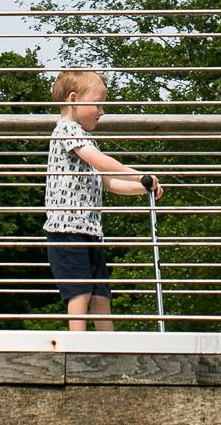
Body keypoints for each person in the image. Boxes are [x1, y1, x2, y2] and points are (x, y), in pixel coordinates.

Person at [44, 67, 164, 332]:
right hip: (67, 230)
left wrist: (142, 188)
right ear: (73, 100)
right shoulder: (66, 130)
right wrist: (138, 175)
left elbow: (106, 181)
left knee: (101, 294)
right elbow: (103, 164)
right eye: (98, 104)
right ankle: (79, 346)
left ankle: (107, 346)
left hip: (89, 230)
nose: (101, 111)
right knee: (80, 291)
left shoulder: (85, 138)